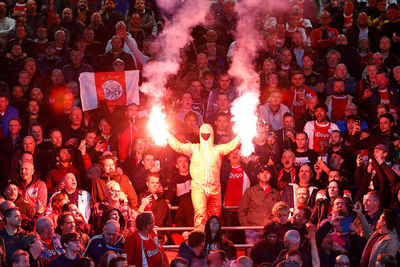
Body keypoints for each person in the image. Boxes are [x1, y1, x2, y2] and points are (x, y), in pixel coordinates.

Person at [168, 123, 240, 230]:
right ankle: (200, 239)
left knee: (215, 217)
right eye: (203, 133)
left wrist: (240, 135)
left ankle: (212, 240)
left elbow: (231, 145)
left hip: (214, 188)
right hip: (198, 188)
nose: (205, 135)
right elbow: (178, 146)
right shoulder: (194, 148)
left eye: (208, 134)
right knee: (200, 214)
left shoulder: (217, 150)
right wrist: (168, 135)